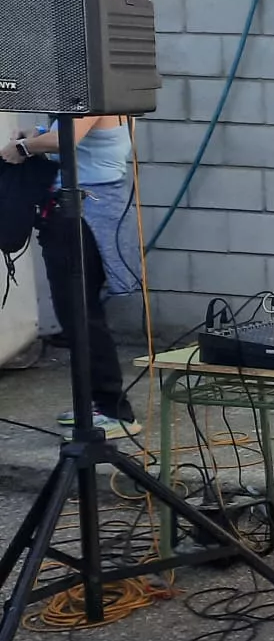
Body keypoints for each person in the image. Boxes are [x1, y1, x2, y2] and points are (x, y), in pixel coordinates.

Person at [3, 115, 141, 437]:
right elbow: (62, 136)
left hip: (83, 213)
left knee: (80, 313)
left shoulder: (90, 93)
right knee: (78, 314)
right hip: (85, 207)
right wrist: (36, 134)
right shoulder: (109, 92)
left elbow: (64, 141)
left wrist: (23, 147)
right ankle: (98, 404)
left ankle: (114, 410)